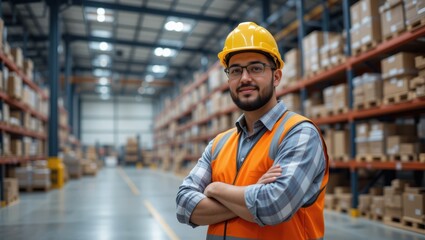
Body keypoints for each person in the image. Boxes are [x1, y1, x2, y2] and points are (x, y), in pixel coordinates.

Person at [176, 22, 329, 240]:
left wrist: (215, 189)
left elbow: (274, 207)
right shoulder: (219, 144)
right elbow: (184, 207)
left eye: (256, 68)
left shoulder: (299, 134)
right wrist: (253, 191)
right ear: (229, 79)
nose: (245, 78)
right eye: (236, 71)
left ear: (276, 77)